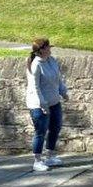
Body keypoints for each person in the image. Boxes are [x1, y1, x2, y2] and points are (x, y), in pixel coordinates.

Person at [25, 37, 68, 172]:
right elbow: (35, 88)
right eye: (48, 47)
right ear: (42, 50)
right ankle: (37, 161)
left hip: (54, 102)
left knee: (55, 127)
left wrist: (63, 92)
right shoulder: (36, 65)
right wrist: (43, 105)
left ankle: (50, 156)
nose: (50, 49)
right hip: (39, 104)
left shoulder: (51, 60)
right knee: (40, 132)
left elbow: (58, 79)